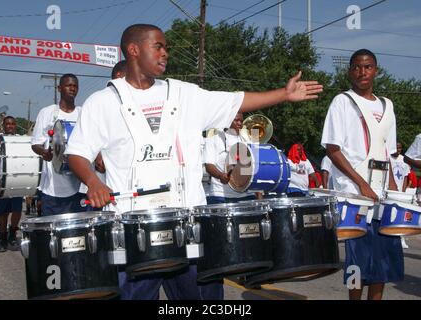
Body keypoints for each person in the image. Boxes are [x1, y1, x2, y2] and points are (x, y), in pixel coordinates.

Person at [65, 23, 322, 300]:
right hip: (131, 231)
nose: (166, 54)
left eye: (166, 48)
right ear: (133, 50)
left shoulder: (185, 95)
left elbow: (237, 101)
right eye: (159, 46)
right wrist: (92, 182)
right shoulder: (102, 102)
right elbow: (77, 153)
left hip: (190, 226)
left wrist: (283, 94)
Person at [321, 49, 402, 300]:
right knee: (358, 261)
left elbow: (388, 154)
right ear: (350, 71)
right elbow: (332, 149)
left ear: (376, 70)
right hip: (355, 196)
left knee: (382, 263)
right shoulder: (342, 101)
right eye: (356, 67)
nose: (362, 72)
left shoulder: (387, 106)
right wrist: (361, 184)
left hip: (381, 195)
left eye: (367, 67)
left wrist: (395, 193)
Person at [31, 74, 83, 216]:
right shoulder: (47, 112)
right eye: (68, 85)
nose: (72, 88)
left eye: (75, 86)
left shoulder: (82, 113)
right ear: (59, 88)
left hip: (80, 185)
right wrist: (44, 152)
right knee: (53, 231)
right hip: (53, 188)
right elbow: (35, 143)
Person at [204, 112, 261, 205]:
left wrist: (259, 198)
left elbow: (254, 170)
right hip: (220, 195)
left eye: (241, 121)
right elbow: (209, 165)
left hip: (247, 195)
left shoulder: (248, 140)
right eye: (236, 120)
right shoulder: (213, 138)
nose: (240, 123)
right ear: (227, 120)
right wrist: (220, 175)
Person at [0, 117, 23, 252]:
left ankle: (12, 235)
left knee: (17, 211)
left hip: (16, 180)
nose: (10, 126)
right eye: (7, 124)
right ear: (3, 126)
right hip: (1, 182)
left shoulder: (20, 139)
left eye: (12, 124)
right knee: (3, 212)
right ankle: (3, 238)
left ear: (15, 125)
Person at [390, 142, 411, 249]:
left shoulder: (404, 160)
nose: (398, 149)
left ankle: (401, 238)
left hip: (400, 193)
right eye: (396, 147)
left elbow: (406, 177)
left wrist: (403, 191)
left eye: (400, 148)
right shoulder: (388, 157)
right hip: (389, 191)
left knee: (400, 216)